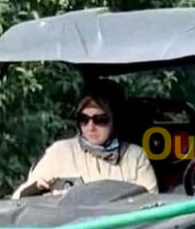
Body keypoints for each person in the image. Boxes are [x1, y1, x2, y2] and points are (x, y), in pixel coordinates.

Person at [14, 80, 158, 198]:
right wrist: (36, 189)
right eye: (84, 119)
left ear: (115, 120)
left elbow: (153, 206)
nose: (91, 127)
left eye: (100, 119)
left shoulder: (135, 157)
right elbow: (17, 201)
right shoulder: (59, 152)